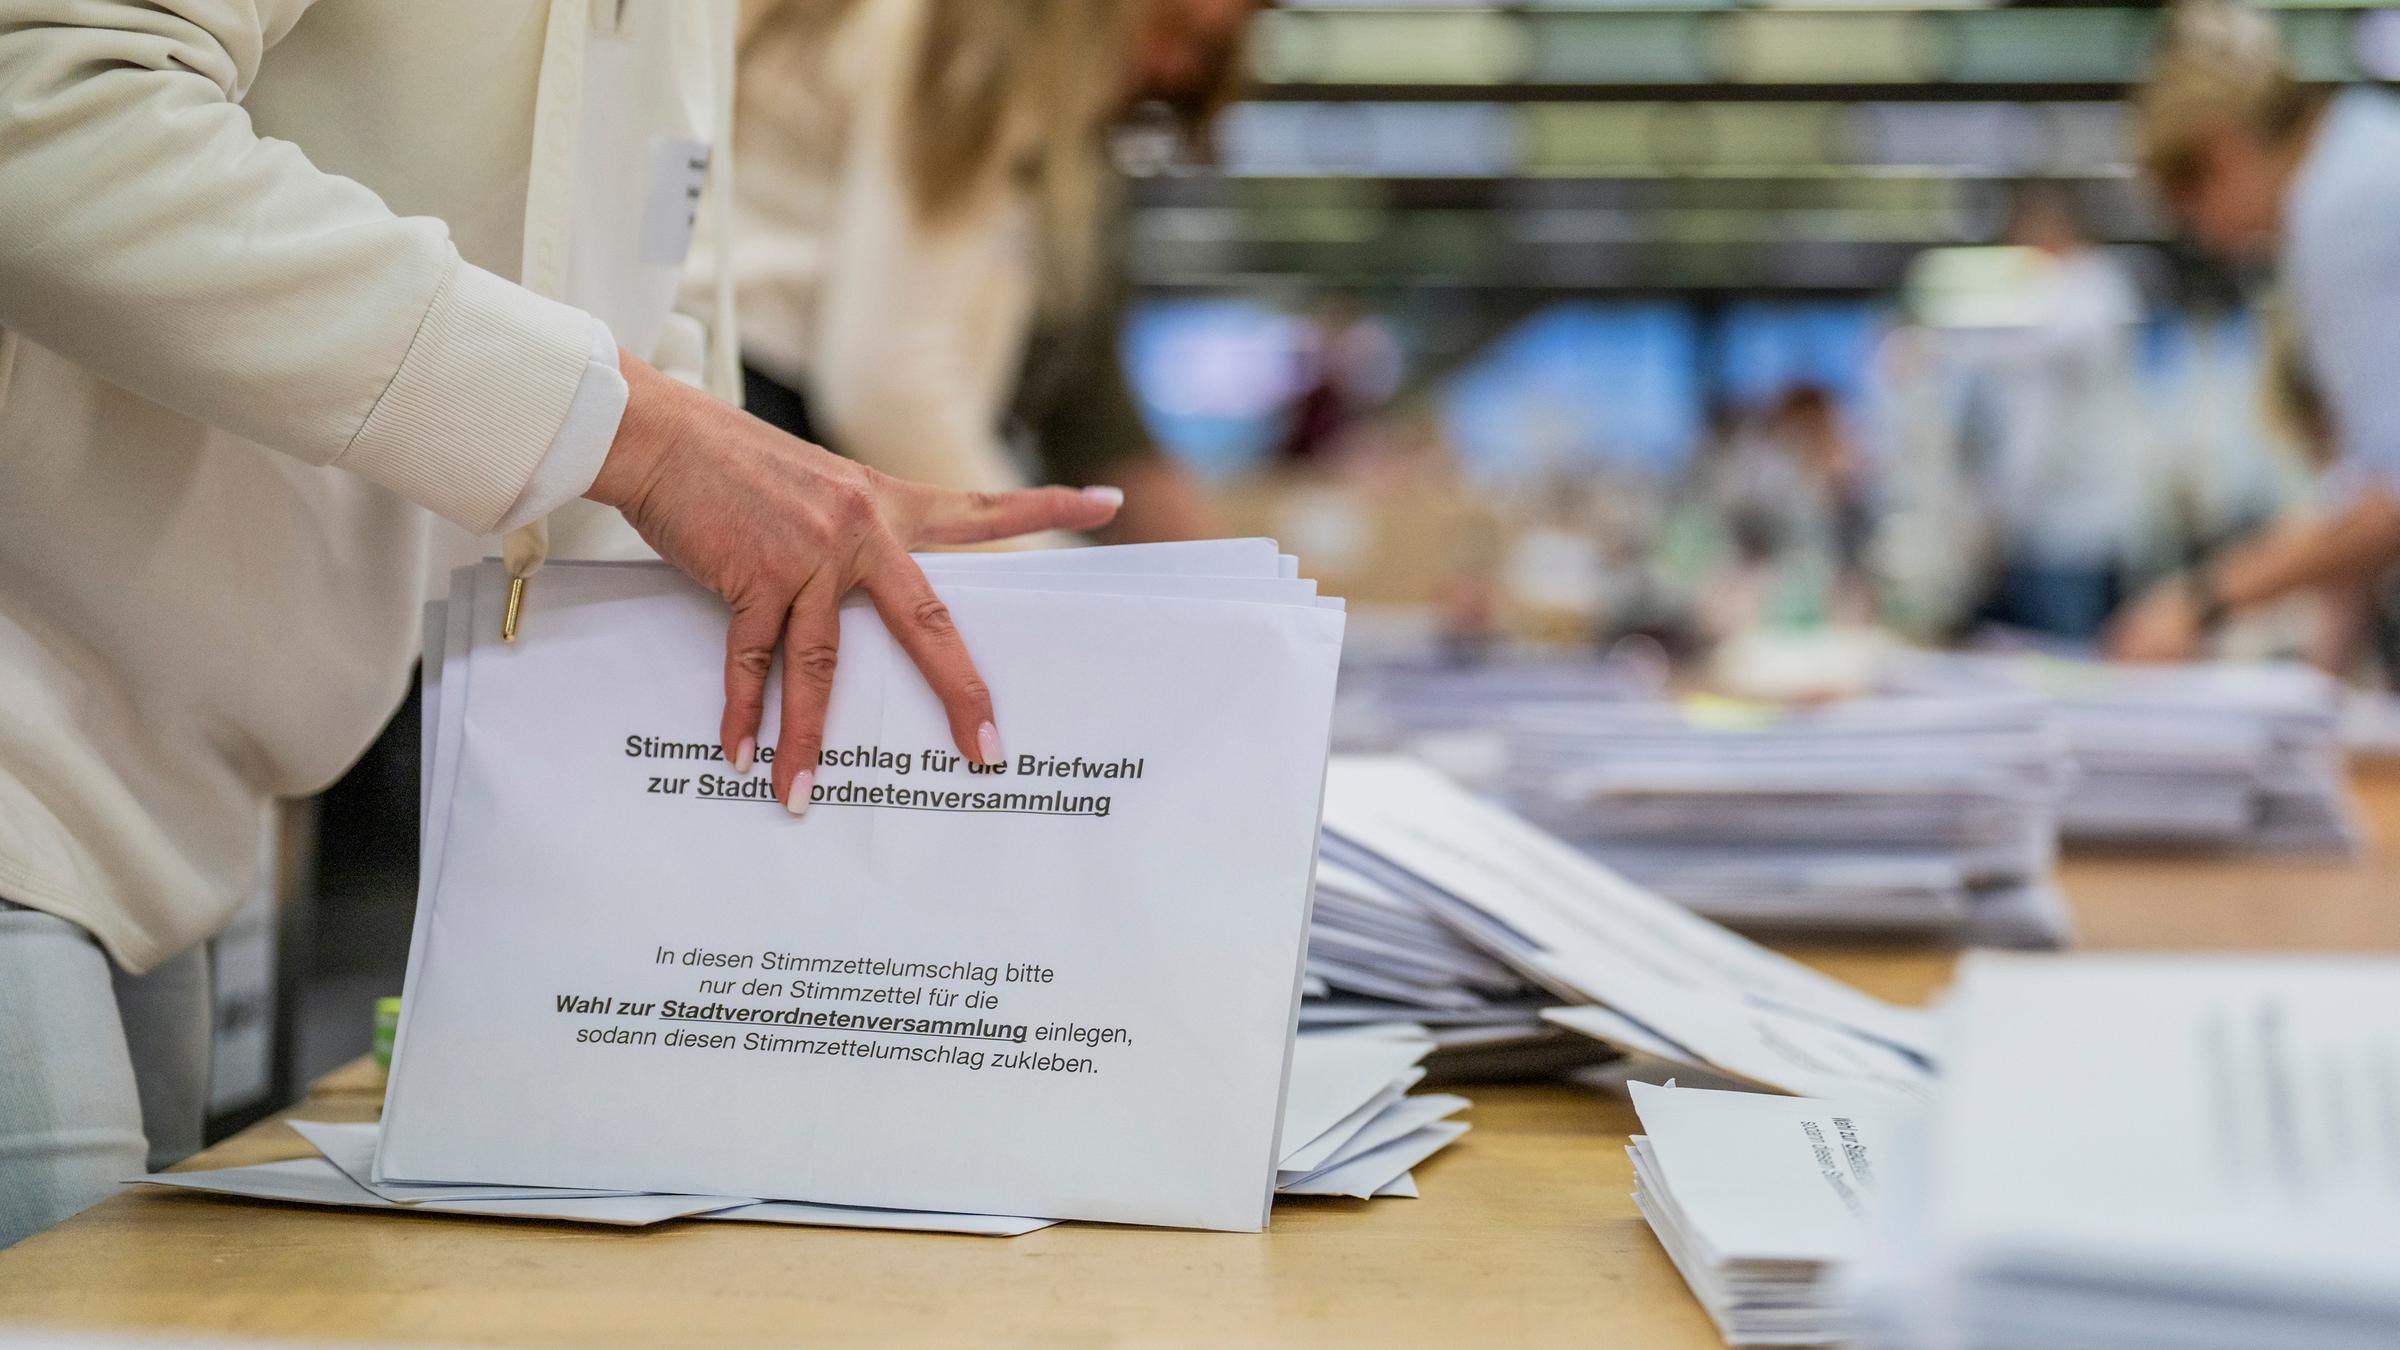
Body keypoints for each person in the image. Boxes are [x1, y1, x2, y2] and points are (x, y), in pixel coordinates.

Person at [0, 1, 1114, 1248]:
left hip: (181, 774)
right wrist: (636, 436)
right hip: (32, 721)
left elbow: (642, 307)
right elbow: (39, 103)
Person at [706, 0, 1252, 545]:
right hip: (764, 425)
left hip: (755, 420)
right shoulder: (971, 40)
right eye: (1170, 31)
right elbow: (891, 383)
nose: (1172, 70)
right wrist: (1053, 579)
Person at [2106, 0, 2400, 660]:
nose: (2212, 243)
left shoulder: (2339, 210)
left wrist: (2205, 599)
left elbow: (2392, 492)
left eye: (2192, 214)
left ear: (2222, 154)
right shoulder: (2366, 145)